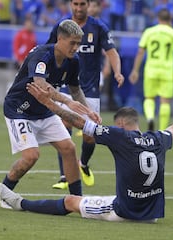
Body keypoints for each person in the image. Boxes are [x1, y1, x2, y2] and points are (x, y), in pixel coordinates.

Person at [0, 81, 173, 222]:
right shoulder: (157, 139)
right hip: (151, 213)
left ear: (122, 123)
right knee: (106, 197)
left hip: (125, 212)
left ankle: (20, 203)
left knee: (71, 202)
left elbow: (79, 123)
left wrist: (47, 102)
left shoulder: (120, 136)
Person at [0, 19, 101, 209]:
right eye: (73, 43)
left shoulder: (73, 61)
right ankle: (4, 190)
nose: (76, 47)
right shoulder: (41, 55)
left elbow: (75, 89)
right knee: (31, 156)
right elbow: (41, 86)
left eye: (79, 43)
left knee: (69, 148)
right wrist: (67, 101)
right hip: (19, 110)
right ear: (60, 39)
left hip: (44, 111)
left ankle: (78, 201)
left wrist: (88, 112)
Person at [46, 0, 124, 190]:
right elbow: (48, 50)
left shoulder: (98, 27)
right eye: (75, 4)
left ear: (88, 5)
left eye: (82, 4)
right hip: (65, 86)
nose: (78, 8)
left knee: (90, 135)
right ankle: (65, 175)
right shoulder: (62, 26)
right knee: (63, 128)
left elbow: (111, 52)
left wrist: (117, 72)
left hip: (89, 90)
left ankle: (83, 164)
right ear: (70, 4)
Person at [129, 8, 173, 131]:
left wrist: (135, 70)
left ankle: (150, 118)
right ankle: (163, 130)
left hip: (151, 70)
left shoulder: (149, 32)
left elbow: (140, 51)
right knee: (165, 101)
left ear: (158, 19)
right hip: (167, 71)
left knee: (149, 98)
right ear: (170, 19)